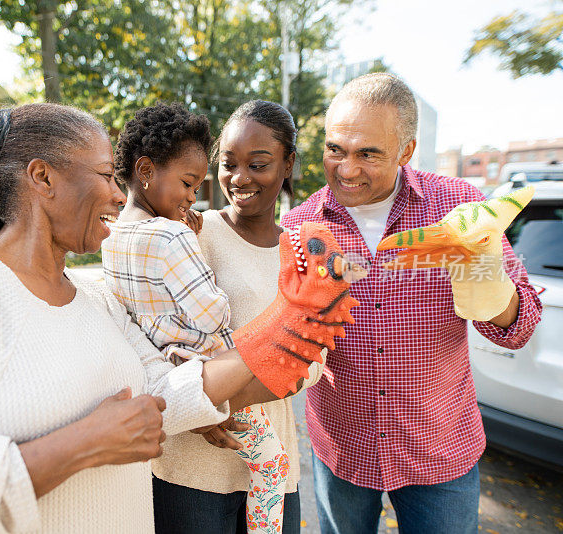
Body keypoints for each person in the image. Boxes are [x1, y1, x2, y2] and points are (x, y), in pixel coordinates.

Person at [0, 103, 272, 533]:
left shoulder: (95, 294)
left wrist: (282, 332)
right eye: (106, 175)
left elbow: (163, 393)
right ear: (42, 177)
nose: (120, 195)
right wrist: (85, 444)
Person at [280, 73, 543, 533]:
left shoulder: (459, 206)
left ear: (406, 151)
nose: (346, 168)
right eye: (335, 149)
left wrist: (483, 272)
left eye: (368, 154)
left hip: (439, 451)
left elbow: (516, 328)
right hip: (343, 449)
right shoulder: (300, 225)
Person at [101, 102, 291, 534]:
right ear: (146, 170)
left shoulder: (111, 237)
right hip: (210, 371)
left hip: (174, 371)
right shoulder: (176, 233)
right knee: (272, 462)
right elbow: (209, 312)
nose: (191, 196)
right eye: (188, 183)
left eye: (257, 164)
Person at [151, 100, 324, 534]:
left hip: (274, 468)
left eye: (259, 164)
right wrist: (196, 405)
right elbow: (156, 333)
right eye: (228, 164)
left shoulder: (304, 248)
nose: (240, 178)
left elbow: (315, 354)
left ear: (288, 165)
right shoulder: (191, 232)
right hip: (194, 473)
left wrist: (221, 401)